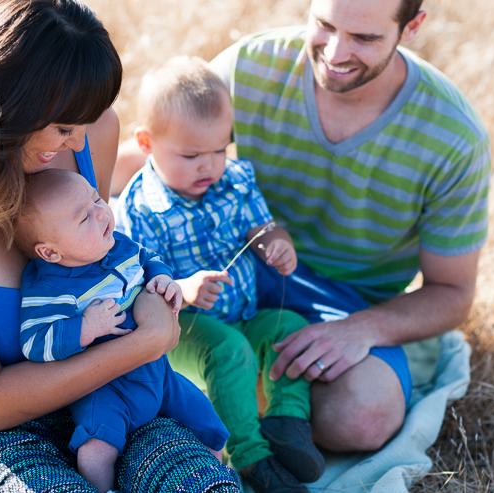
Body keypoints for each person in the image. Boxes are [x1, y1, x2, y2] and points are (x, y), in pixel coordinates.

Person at [0, 1, 240, 491]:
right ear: (8, 104)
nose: (76, 141)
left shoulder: (92, 131)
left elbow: (101, 262)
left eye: (83, 123)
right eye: (64, 126)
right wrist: (147, 342)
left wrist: (153, 295)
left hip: (108, 392)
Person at [113, 0, 491, 455]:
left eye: (364, 38)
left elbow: (452, 293)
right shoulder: (253, 65)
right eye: (324, 25)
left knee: (364, 416)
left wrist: (362, 330)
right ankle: (239, 412)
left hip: (345, 303)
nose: (334, 51)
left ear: (411, 28)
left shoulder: (455, 137)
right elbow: (172, 144)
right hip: (231, 268)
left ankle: (241, 415)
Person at [115, 56, 324, 493]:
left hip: (243, 310)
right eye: (191, 155)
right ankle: (251, 457)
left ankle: (288, 421)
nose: (208, 166)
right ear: (147, 143)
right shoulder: (141, 208)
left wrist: (276, 244)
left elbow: (262, 227)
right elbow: (139, 289)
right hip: (184, 327)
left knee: (290, 327)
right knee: (229, 351)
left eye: (218, 150)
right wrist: (185, 290)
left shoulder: (234, 179)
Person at [16, 169, 229, 492]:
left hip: (160, 375)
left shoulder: (118, 246)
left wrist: (161, 277)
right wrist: (85, 328)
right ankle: (102, 487)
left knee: (209, 424)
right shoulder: (51, 286)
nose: (101, 213)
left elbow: (148, 258)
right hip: (108, 389)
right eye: (84, 218)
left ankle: (218, 469)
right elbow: (34, 342)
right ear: (50, 252)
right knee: (95, 449)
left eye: (97, 198)